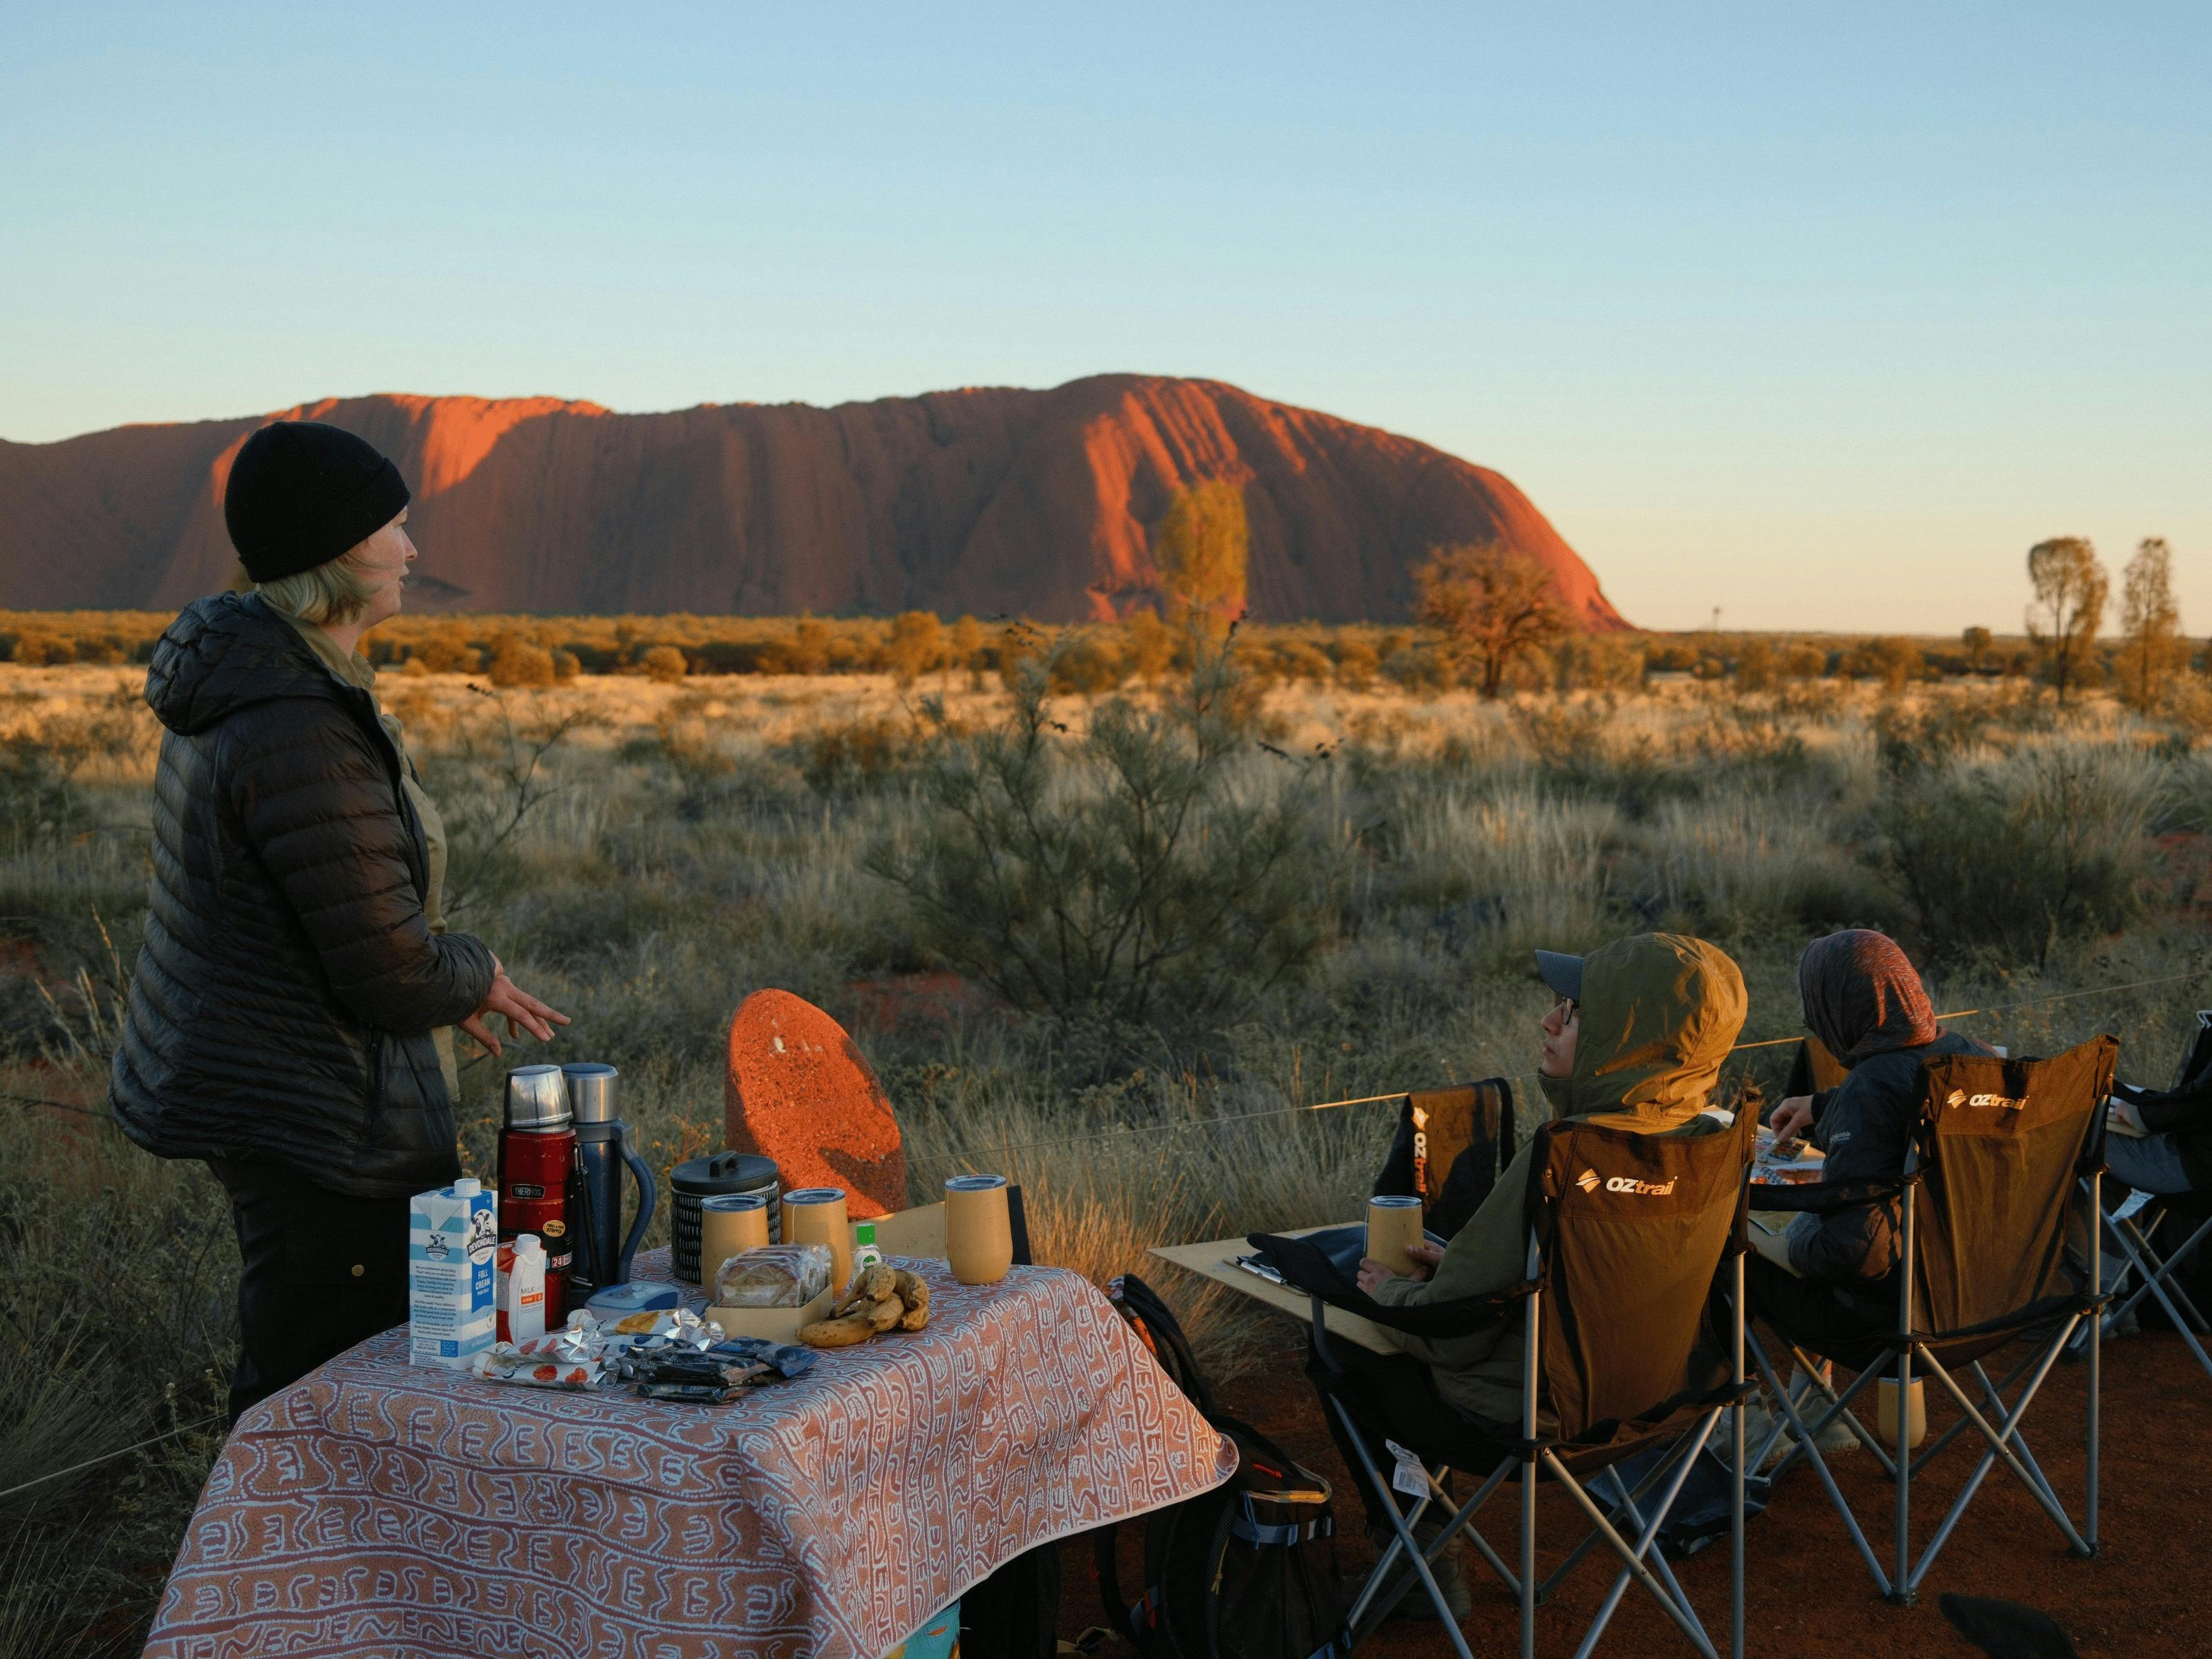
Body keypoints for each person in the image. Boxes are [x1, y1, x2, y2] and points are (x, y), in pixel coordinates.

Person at [109, 420, 570, 1421]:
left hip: (281, 1082)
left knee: (309, 1375)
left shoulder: (257, 683)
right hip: (318, 1113)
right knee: (319, 1395)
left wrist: (441, 984)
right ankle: (268, 1574)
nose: (413, 551)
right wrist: (471, 975)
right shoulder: (296, 724)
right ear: (337, 555)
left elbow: (329, 919)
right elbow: (385, 965)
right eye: (394, 529)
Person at [1324, 932, 1748, 1618]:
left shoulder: (1565, 1153)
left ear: (1627, 1038)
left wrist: (1391, 1295)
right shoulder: (1714, 1141)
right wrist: (1478, 1266)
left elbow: (1447, 1335)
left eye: (1573, 1013)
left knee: (1342, 1341)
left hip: (1536, 1416)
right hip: (1665, 1401)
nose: (1547, 1023)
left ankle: (1421, 1566)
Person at [1747, 929, 1993, 1363]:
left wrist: (1797, 1235)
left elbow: (1854, 1255)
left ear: (1836, 1009)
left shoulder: (1873, 1087)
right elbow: (1914, 1113)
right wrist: (1827, 1105)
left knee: (1725, 1254)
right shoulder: (1974, 1057)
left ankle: (1747, 1422)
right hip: (1990, 1299)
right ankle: (1817, 1427)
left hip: (1891, 1324)